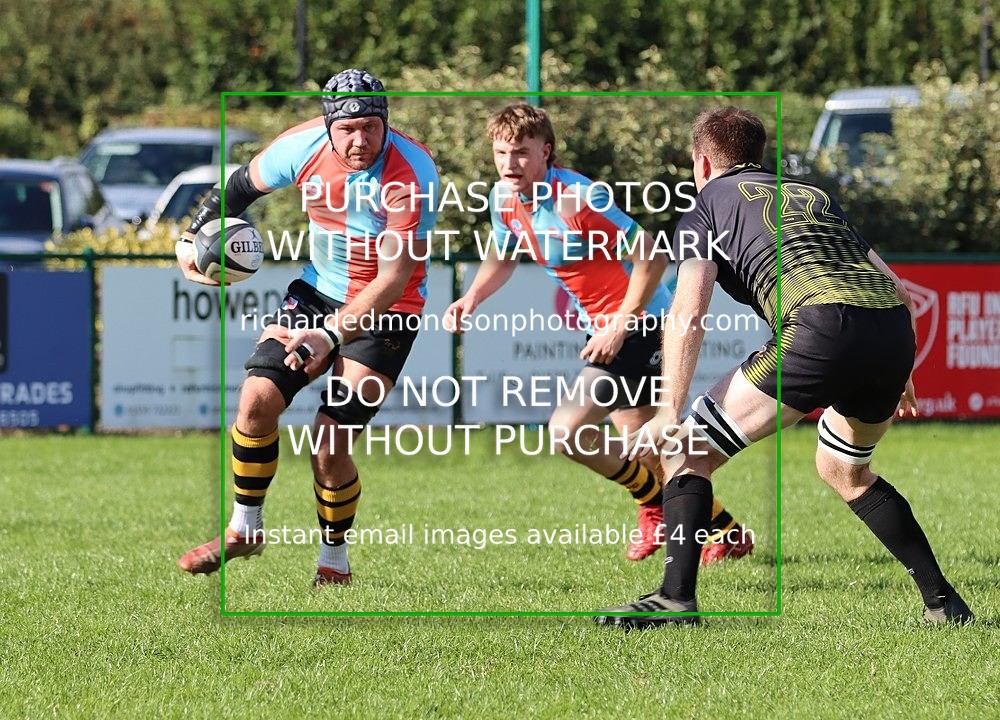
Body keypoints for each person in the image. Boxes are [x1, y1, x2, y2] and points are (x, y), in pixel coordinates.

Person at [596, 106, 973, 627]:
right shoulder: (813, 195)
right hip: (890, 331)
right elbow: (899, 290)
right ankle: (943, 603)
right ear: (759, 156)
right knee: (844, 470)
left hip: (820, 326)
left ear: (701, 163)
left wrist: (667, 411)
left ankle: (674, 599)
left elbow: (688, 312)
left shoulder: (708, 204)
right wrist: (902, 369)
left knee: (684, 449)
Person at [446, 103, 753, 564]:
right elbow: (505, 254)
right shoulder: (504, 198)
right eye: (501, 153)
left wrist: (619, 325)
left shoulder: (576, 200)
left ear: (546, 151)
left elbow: (651, 256)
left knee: (567, 431)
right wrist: (472, 297)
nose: (510, 163)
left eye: (522, 152)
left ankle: (654, 506)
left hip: (642, 326)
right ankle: (725, 532)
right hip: (607, 330)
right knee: (648, 451)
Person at [174, 68, 439, 587]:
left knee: (330, 442)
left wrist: (330, 335)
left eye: (371, 127)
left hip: (389, 309)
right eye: (348, 129)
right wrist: (191, 239)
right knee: (256, 400)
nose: (360, 140)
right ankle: (244, 528)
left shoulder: (412, 174)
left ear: (385, 122)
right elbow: (235, 188)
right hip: (318, 291)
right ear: (328, 127)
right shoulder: (300, 146)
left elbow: (392, 280)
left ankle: (334, 564)